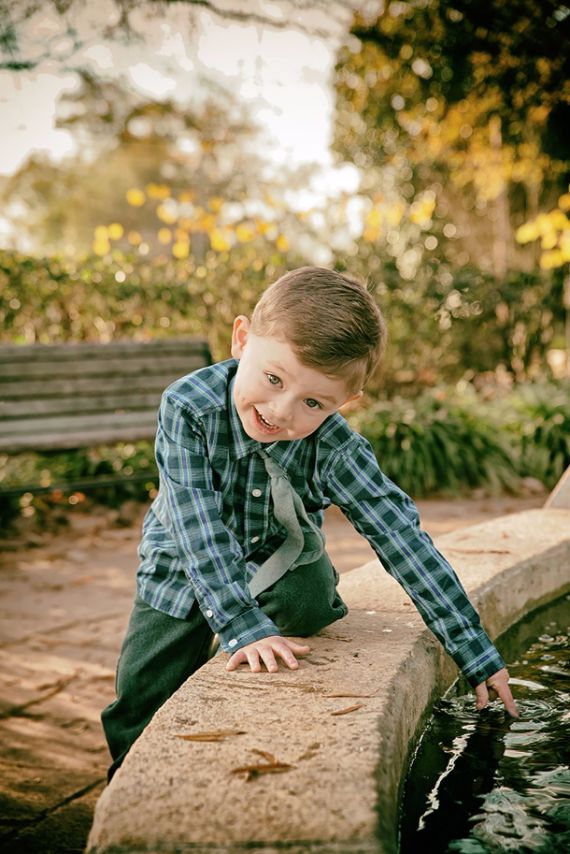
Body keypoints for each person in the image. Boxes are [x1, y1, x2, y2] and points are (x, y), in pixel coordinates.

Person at [102, 266, 518, 779]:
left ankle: (249, 628)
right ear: (242, 339)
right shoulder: (188, 408)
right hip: (180, 566)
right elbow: (196, 527)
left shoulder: (335, 446)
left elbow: (401, 537)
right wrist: (239, 623)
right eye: (273, 379)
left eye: (313, 402)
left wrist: (473, 648)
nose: (281, 411)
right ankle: (130, 787)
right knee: (141, 696)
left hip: (275, 560)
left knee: (310, 597)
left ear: (345, 403)